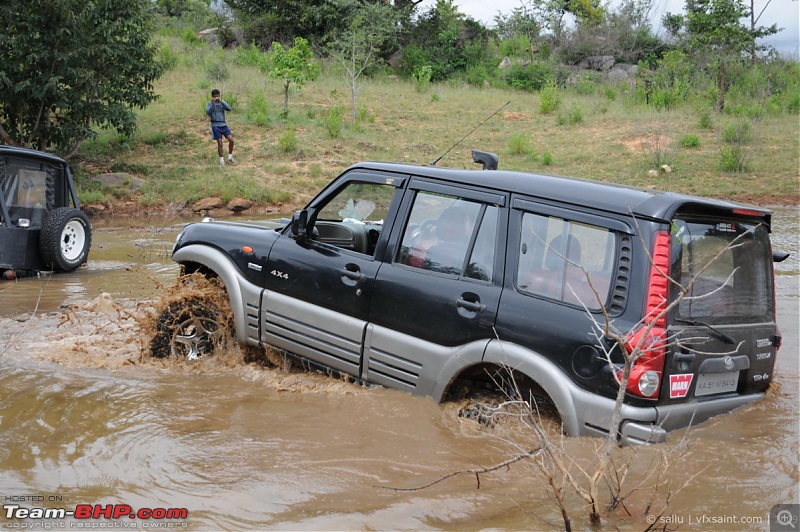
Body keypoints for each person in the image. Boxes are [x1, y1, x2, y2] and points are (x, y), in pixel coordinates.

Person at [205, 89, 235, 167]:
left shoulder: (222, 103)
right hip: (215, 125)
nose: (216, 98)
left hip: (223, 124)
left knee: (231, 140)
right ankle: (221, 161)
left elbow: (229, 108)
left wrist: (222, 102)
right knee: (220, 143)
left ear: (219, 95)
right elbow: (208, 112)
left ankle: (230, 157)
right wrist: (213, 104)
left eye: (217, 96)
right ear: (212, 96)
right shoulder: (209, 103)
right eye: (214, 96)